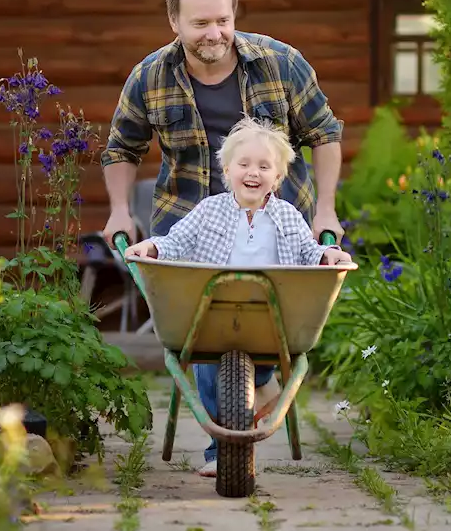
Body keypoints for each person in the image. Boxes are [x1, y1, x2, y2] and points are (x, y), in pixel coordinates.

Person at [101, 0, 347, 476]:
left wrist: (325, 210)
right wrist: (122, 213)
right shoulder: (150, 76)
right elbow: (120, 148)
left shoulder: (280, 63)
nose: (215, 33)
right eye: (200, 24)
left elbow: (324, 133)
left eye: (223, 20)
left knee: (259, 333)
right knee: (207, 335)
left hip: (277, 230)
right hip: (191, 226)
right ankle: (230, 439)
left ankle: (255, 390)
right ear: (174, 22)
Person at [122, 116, 352, 477]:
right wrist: (151, 247)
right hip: (211, 319)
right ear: (227, 170)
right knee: (207, 365)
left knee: (245, 367)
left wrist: (329, 255)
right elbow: (176, 242)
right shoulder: (209, 210)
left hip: (270, 322)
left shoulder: (288, 216)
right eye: (244, 164)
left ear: (277, 178)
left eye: (264, 167)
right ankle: (221, 450)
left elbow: (309, 253)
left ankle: (261, 385)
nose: (253, 173)